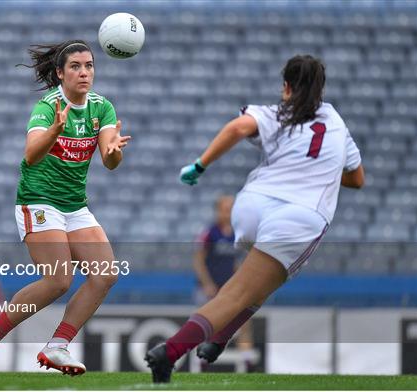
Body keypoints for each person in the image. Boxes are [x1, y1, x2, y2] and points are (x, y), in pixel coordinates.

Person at [145, 54, 364, 383]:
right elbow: (357, 179)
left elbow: (237, 127)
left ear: (286, 87)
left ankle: (220, 337)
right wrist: (324, 173)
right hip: (298, 216)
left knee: (258, 280)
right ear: (321, 89)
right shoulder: (335, 122)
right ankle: (172, 351)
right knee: (241, 291)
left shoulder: (275, 112)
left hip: (250, 206)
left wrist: (200, 165)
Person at [0, 40, 131, 376]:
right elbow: (30, 155)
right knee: (58, 280)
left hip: (74, 205)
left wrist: (114, 151)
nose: (84, 72)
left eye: (89, 65)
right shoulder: (47, 106)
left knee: (105, 275)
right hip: (38, 200)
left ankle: (57, 346)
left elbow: (110, 160)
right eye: (75, 66)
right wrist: (55, 130)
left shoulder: (103, 108)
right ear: (60, 73)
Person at [193, 195, 256, 370]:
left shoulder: (239, 235)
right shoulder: (208, 233)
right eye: (225, 209)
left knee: (243, 323)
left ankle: (248, 362)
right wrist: (207, 284)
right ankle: (202, 362)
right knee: (207, 325)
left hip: (231, 290)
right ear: (217, 211)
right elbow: (198, 261)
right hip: (211, 289)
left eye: (231, 209)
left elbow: (243, 261)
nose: (228, 213)